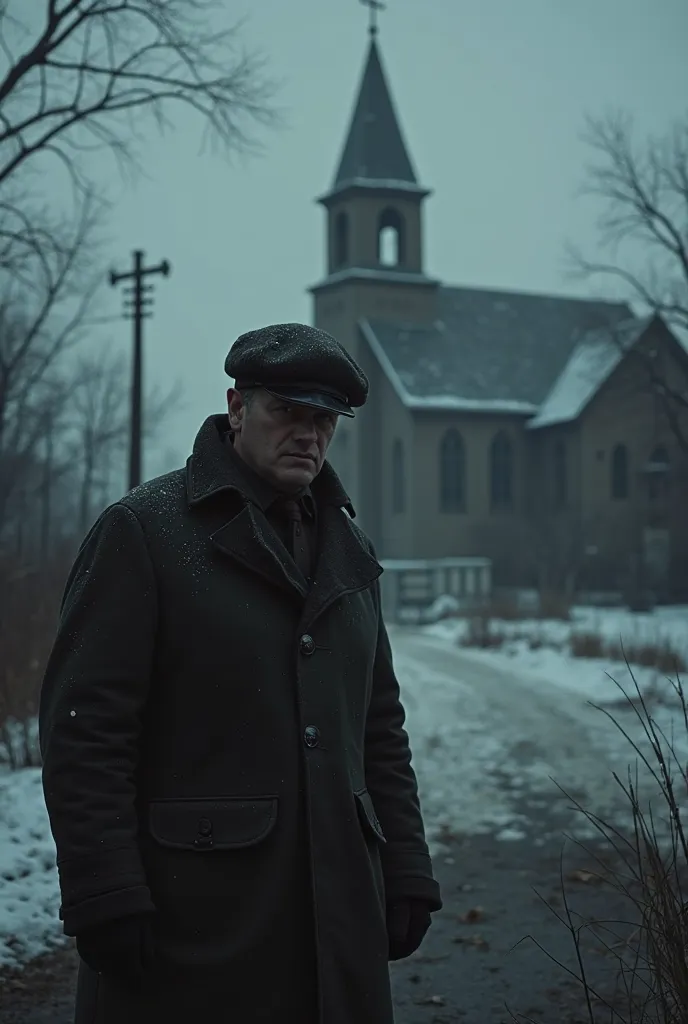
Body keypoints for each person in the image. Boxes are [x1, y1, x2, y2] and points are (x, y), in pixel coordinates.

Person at [39, 322, 442, 1024]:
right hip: (195, 924)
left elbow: (378, 726)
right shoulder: (146, 530)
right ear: (236, 408)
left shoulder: (350, 547)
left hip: (337, 914)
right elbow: (86, 731)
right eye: (286, 411)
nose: (308, 434)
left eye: (323, 420)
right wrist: (104, 891)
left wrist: (405, 868)